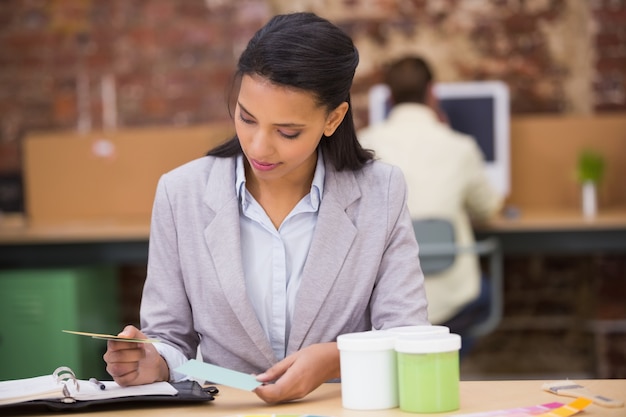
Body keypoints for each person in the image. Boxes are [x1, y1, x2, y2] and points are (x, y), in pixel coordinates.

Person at [104, 13, 428, 404]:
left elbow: (409, 333)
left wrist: (334, 359)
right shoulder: (181, 193)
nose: (258, 147)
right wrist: (154, 360)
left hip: (345, 408)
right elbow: (171, 340)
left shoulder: (381, 191)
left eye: (287, 132)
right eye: (246, 117)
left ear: (333, 118)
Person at [358, 56, 503, 353]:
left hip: (385, 296)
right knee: (481, 295)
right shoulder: (460, 146)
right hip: (451, 298)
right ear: (432, 93)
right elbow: (487, 209)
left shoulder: (362, 146)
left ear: (388, 97)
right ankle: (441, 360)